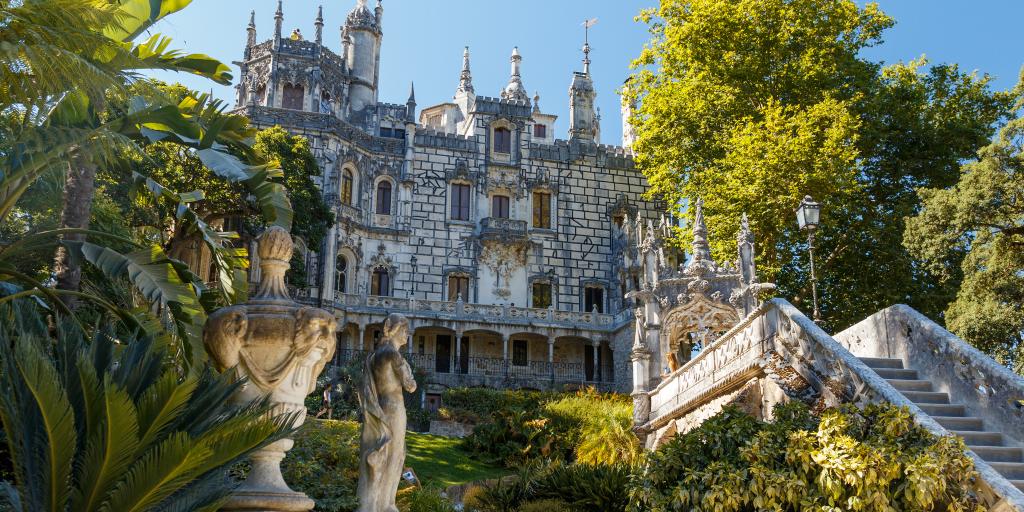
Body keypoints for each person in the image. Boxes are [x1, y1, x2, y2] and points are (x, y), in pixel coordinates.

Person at [356, 313, 417, 512]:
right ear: (395, 330)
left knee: (385, 452)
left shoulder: (375, 355)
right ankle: (387, 503)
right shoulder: (393, 354)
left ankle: (375, 503)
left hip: (381, 405)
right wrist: (410, 378)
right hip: (395, 407)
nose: (407, 334)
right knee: (395, 454)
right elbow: (410, 386)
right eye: (405, 330)